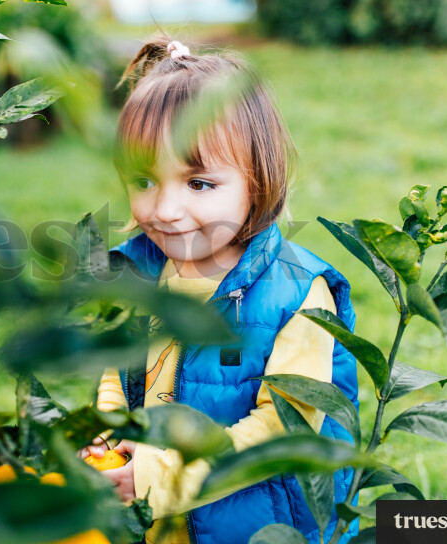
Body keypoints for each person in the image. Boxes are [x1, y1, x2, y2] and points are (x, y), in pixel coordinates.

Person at [79, 39, 360, 544]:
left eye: (199, 184)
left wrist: (155, 477)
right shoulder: (141, 273)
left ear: (258, 180)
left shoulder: (297, 296)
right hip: (161, 519)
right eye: (144, 179)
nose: (164, 209)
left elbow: (282, 430)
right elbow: (117, 372)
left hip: (254, 525)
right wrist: (109, 432)